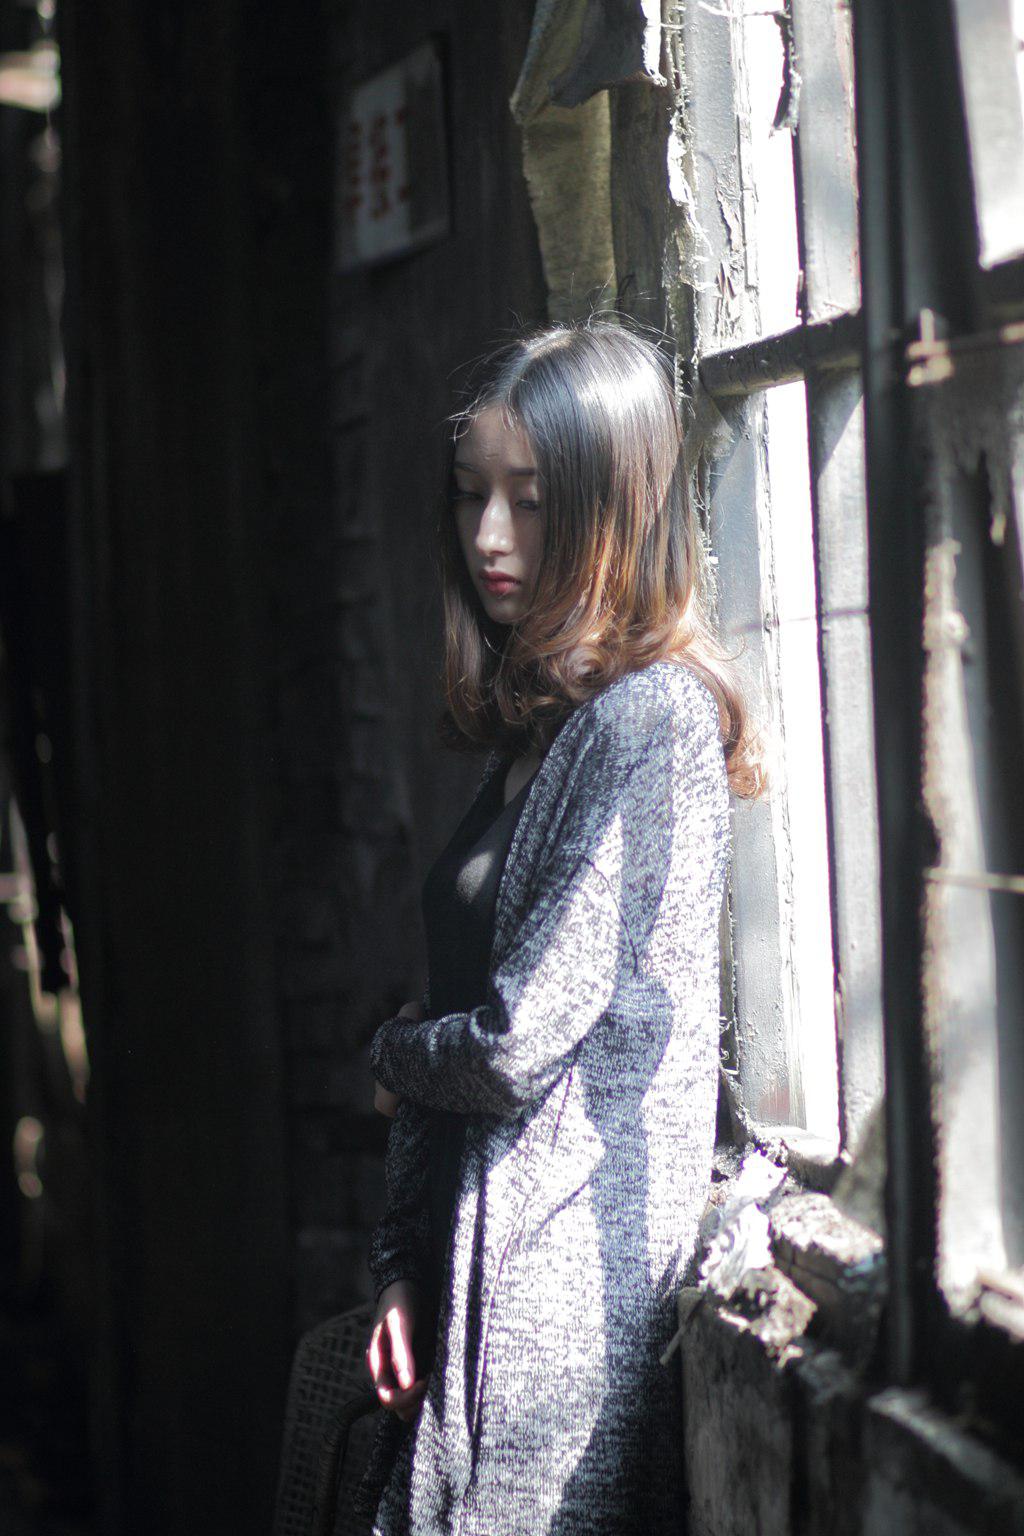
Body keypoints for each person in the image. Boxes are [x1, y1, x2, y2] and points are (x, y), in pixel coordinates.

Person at [362, 319, 762, 1535]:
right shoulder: (545, 731)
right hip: (466, 1284)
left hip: (558, 1322)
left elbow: (509, 1044)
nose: (489, 535)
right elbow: (458, 1001)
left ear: (610, 509)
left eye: (529, 502)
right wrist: (399, 1265)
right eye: (470, 493)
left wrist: (390, 1055)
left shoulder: (648, 727)